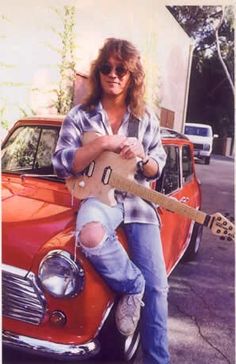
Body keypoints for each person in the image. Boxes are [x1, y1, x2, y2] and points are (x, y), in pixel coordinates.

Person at [53, 38, 169, 364]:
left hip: (139, 204)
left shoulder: (146, 118)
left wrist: (143, 156)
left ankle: (159, 360)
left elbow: (157, 166)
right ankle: (132, 286)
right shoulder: (80, 116)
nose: (113, 74)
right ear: (98, 71)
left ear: (132, 76)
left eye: (122, 69)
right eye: (107, 67)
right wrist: (102, 143)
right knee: (89, 236)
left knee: (159, 290)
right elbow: (62, 163)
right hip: (98, 197)